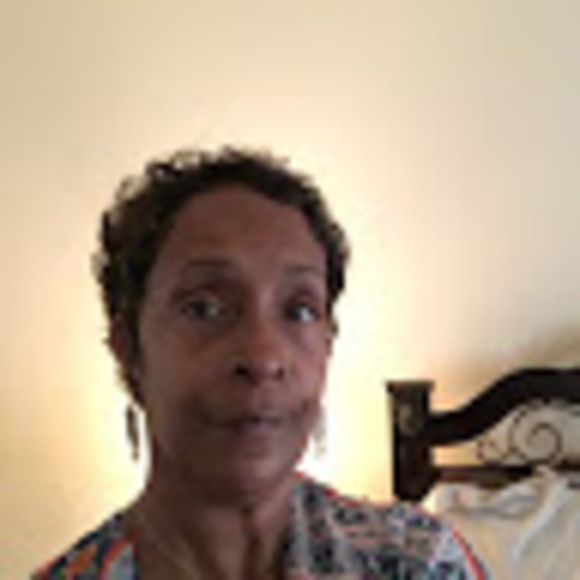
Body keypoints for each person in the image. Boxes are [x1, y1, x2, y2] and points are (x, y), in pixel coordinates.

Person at [33, 147, 485, 579]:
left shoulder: (415, 560)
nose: (262, 356)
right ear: (129, 348)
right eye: (204, 307)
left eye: (299, 310)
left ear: (327, 345)